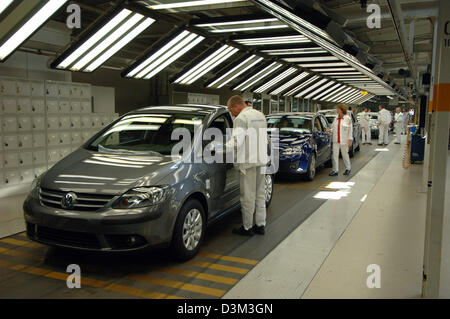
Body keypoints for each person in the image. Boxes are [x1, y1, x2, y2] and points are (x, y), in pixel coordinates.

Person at [227, 96, 269, 236]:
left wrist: (218, 148)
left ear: (236, 106)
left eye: (231, 110)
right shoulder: (260, 115)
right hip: (261, 160)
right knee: (260, 194)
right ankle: (260, 225)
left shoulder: (241, 118)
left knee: (247, 196)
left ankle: (247, 227)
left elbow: (236, 141)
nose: (231, 114)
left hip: (248, 162)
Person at [327, 104, 353, 176]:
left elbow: (350, 130)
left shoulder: (347, 118)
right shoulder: (335, 118)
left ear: (342, 110)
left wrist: (350, 139)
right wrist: (330, 130)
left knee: (345, 154)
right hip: (335, 140)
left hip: (344, 140)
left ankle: (348, 168)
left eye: (338, 109)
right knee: (334, 155)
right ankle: (335, 170)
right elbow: (333, 127)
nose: (337, 110)